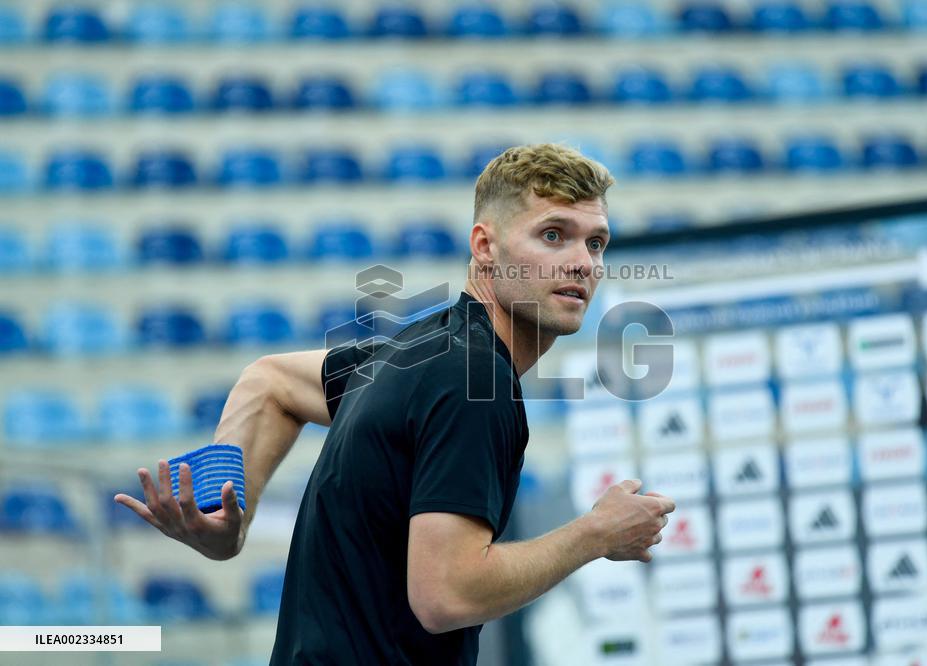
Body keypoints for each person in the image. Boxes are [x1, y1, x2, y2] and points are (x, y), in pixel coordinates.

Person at [115, 143, 676, 665]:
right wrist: (594, 535)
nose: (582, 262)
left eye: (595, 243)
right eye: (553, 235)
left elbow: (269, 382)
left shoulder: (417, 354)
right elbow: (447, 596)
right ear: (485, 247)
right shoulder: (473, 378)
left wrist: (223, 513)